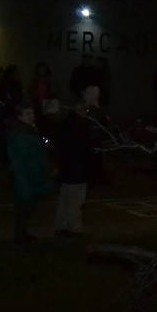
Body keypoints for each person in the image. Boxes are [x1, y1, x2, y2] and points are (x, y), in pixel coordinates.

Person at [53, 85, 100, 238]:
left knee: (65, 199)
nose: (86, 112)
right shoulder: (80, 126)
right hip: (77, 169)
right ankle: (74, 227)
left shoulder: (65, 124)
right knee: (76, 200)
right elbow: (85, 148)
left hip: (67, 168)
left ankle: (60, 225)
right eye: (84, 109)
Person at [4, 101, 53, 244]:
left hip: (30, 176)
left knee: (27, 208)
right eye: (27, 114)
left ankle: (22, 234)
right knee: (24, 208)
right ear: (20, 116)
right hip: (26, 177)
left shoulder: (28, 130)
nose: (32, 116)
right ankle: (20, 237)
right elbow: (23, 158)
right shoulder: (20, 134)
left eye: (32, 113)